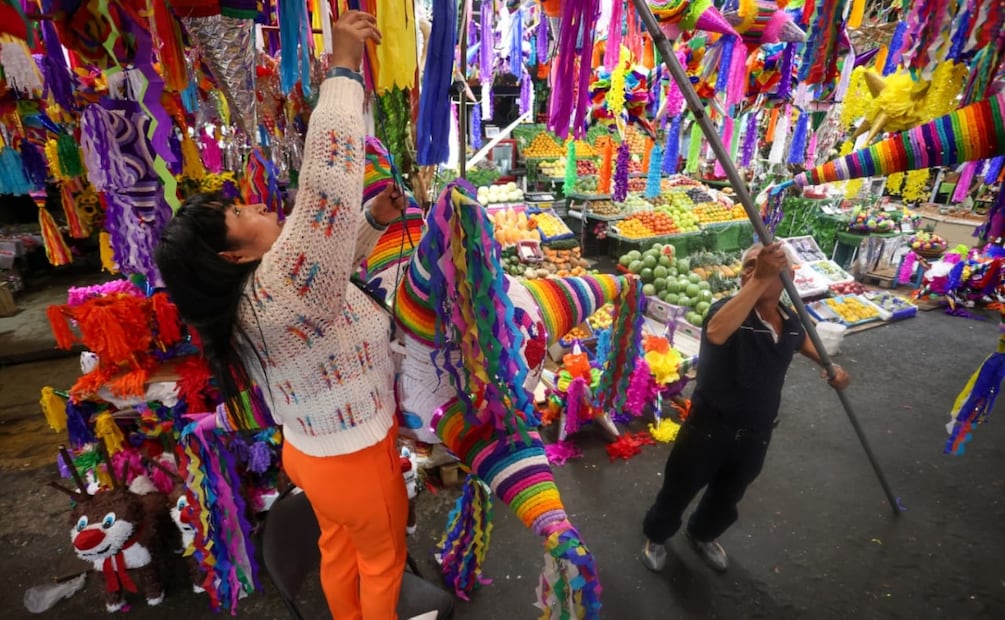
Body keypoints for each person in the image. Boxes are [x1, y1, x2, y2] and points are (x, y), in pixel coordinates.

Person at [155, 13, 410, 618]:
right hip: (355, 461)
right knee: (383, 565)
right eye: (242, 212)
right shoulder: (278, 286)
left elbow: (325, 284)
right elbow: (327, 184)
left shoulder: (255, 295)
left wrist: (372, 219)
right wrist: (342, 68)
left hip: (311, 453)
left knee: (340, 550)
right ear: (232, 253)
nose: (256, 207)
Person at [641, 241, 850, 573]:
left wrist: (832, 369)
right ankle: (657, 535)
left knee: (728, 496)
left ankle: (703, 533)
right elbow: (716, 332)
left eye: (764, 266)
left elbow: (807, 345)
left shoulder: (791, 321)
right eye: (748, 267)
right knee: (679, 488)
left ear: (790, 276)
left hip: (757, 432)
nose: (754, 272)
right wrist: (761, 277)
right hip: (707, 429)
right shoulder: (727, 311)